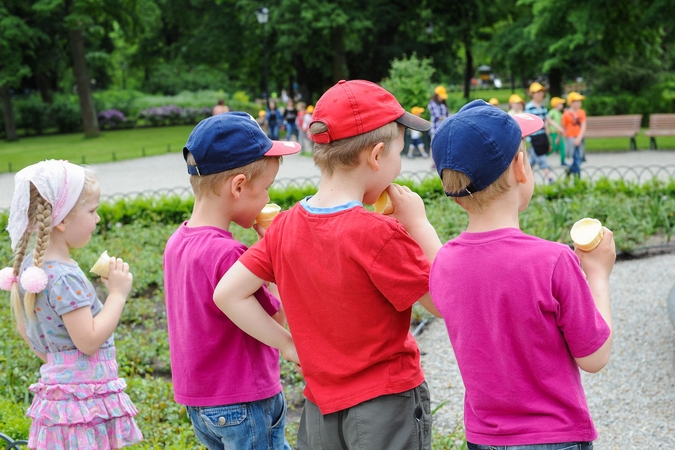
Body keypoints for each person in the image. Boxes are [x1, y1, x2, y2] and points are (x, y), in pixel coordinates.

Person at [212, 79, 443, 450]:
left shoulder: (285, 225)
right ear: (377, 155)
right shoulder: (379, 233)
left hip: (320, 409)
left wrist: (288, 346)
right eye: (399, 153)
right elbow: (443, 302)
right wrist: (419, 224)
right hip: (386, 405)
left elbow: (227, 293)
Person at [429, 100, 615, 449]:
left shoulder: (444, 262)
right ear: (520, 167)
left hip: (483, 438)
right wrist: (599, 275)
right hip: (553, 437)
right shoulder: (553, 260)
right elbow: (594, 357)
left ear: (454, 194)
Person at [163, 112, 301, 450]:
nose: (268, 199)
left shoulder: (177, 241)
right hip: (244, 397)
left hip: (202, 403)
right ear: (238, 186)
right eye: (266, 189)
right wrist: (273, 251)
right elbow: (277, 315)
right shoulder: (229, 254)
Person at [0, 159, 143, 449]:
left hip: (59, 399)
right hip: (84, 404)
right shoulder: (65, 277)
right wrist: (117, 293)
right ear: (62, 220)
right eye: (92, 211)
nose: (98, 219)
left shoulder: (32, 269)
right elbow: (88, 341)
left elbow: (39, 345)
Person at [525, 82, 564, 184]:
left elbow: (548, 120)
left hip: (542, 136)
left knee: (533, 159)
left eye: (541, 92)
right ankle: (549, 177)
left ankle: (523, 176)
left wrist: (558, 128)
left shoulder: (542, 108)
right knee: (540, 157)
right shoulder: (529, 107)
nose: (540, 94)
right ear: (532, 94)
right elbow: (527, 122)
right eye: (537, 92)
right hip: (534, 137)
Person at [561, 92, 587, 177]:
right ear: (571, 103)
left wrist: (579, 138)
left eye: (580, 101)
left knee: (579, 158)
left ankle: (569, 171)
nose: (579, 103)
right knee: (575, 158)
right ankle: (577, 178)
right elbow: (564, 127)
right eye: (577, 101)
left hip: (579, 138)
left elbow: (583, 126)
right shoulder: (566, 114)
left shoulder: (582, 112)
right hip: (570, 138)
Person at [548, 96, 567, 165]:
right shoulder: (552, 112)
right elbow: (548, 120)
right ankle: (543, 158)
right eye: (560, 104)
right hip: (553, 133)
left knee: (562, 147)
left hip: (559, 133)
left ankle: (563, 161)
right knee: (553, 148)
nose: (562, 105)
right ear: (556, 104)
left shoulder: (560, 113)